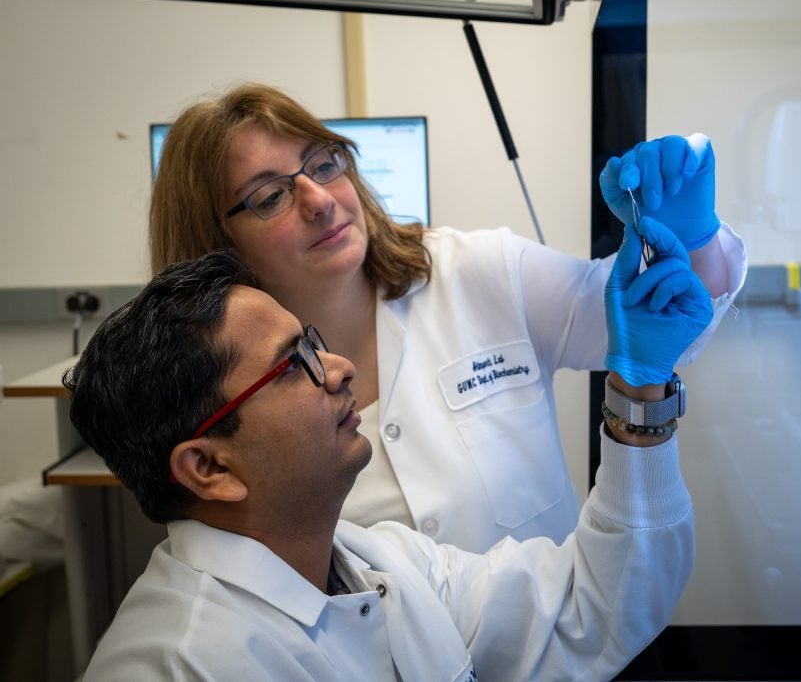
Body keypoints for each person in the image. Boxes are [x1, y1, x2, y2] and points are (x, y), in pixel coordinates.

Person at [65, 216, 711, 679]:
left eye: (312, 342)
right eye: (294, 364)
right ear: (209, 466)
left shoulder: (383, 563)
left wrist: (642, 391)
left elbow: (592, 606)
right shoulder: (183, 663)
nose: (341, 367)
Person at [149, 82, 747, 552]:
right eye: (271, 196)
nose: (318, 199)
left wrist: (692, 237)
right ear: (215, 241)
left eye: (324, 163)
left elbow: (661, 327)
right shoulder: (224, 393)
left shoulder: (478, 270)